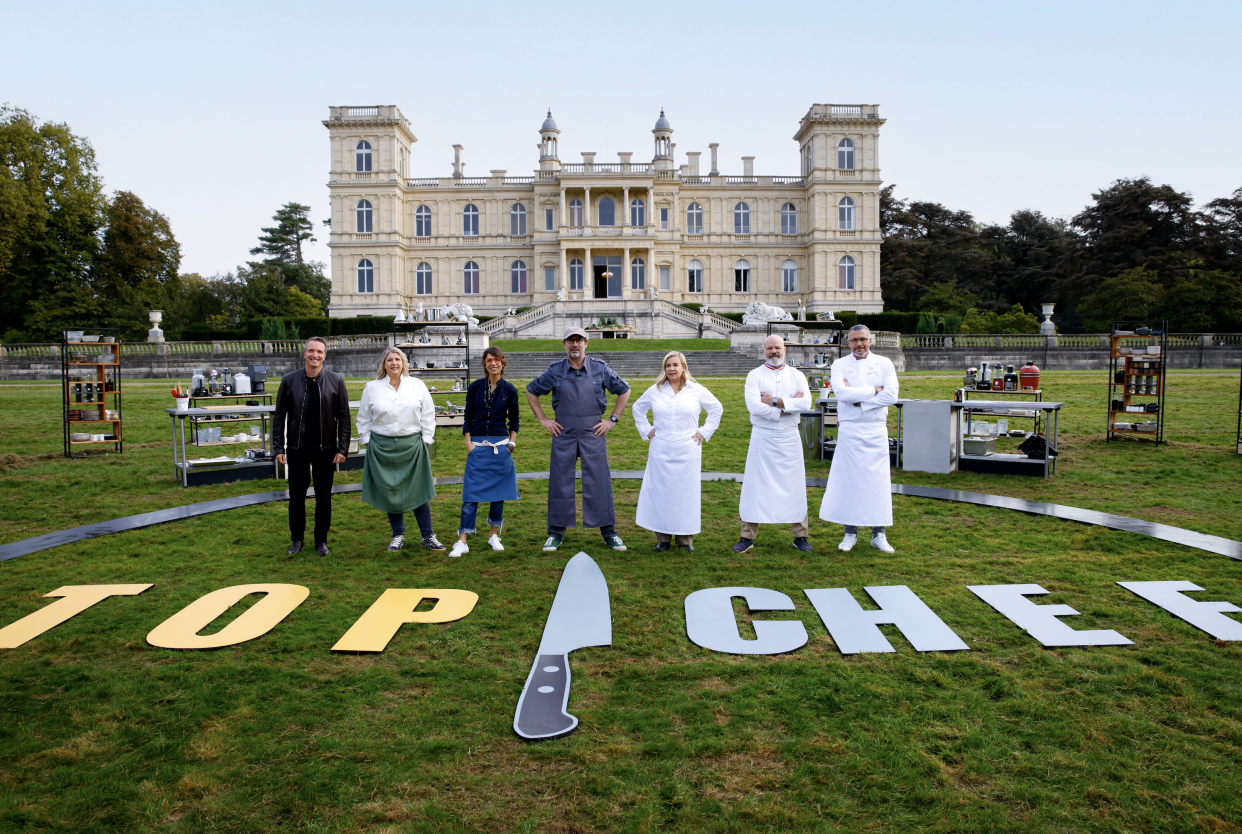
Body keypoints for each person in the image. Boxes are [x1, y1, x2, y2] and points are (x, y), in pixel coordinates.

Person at [526, 327, 631, 552]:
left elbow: (624, 390)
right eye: (571, 341)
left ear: (586, 343)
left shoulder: (599, 368)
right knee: (560, 481)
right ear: (564, 343)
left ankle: (609, 532)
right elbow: (531, 390)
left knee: (599, 480)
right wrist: (543, 419)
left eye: (579, 340)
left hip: (593, 431)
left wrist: (612, 419)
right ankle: (555, 533)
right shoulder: (554, 371)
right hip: (563, 432)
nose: (575, 345)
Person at [819, 325, 900, 553]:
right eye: (854, 340)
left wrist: (860, 401)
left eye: (863, 339)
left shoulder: (884, 363)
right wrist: (874, 390)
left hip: (875, 429)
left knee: (878, 484)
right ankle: (850, 533)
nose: (859, 344)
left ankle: (879, 534)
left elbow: (892, 395)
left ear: (871, 340)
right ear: (848, 343)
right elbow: (842, 394)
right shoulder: (840, 364)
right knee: (850, 482)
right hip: (850, 430)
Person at [355, 348, 446, 552]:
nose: (394, 363)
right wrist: (368, 441)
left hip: (412, 445)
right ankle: (398, 535)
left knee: (419, 491)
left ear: (404, 363)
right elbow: (363, 419)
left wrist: (425, 440)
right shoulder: (372, 388)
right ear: (384, 364)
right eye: (390, 360)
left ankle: (428, 536)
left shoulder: (417, 385)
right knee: (391, 492)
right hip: (382, 447)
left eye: (398, 359)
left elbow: (428, 414)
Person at [632, 351, 723, 552]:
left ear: (684, 367)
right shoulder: (656, 390)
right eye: (667, 366)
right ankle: (663, 538)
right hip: (661, 446)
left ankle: (685, 540)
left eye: (675, 365)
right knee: (661, 492)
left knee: (685, 494)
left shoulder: (696, 390)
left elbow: (716, 408)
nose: (671, 369)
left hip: (687, 447)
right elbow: (638, 408)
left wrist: (705, 431)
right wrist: (647, 430)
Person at [735, 334, 813, 553]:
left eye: (777, 347)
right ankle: (747, 536)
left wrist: (774, 401)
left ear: (784, 349)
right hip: (763, 436)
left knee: (795, 485)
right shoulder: (754, 375)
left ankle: (801, 535)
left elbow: (806, 403)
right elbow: (753, 406)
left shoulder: (797, 375)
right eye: (769, 348)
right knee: (754, 485)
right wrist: (788, 407)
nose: (773, 352)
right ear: (764, 351)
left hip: (789, 436)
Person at [273, 336, 350, 556]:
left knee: (323, 497)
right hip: (297, 448)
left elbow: (344, 418)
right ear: (304, 353)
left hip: (326, 449)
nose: (315, 355)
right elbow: (279, 417)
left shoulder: (336, 381)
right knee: (296, 495)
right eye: (311, 351)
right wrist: (278, 448)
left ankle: (321, 540)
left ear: (325, 356)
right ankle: (297, 539)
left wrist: (342, 448)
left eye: (319, 352)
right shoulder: (289, 380)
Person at [451, 346, 520, 557]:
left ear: (503, 363)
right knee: (470, 494)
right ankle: (462, 539)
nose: (493, 363)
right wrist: (468, 443)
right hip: (478, 447)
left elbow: (514, 419)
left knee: (497, 495)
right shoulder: (474, 387)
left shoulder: (510, 390)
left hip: (501, 448)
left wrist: (511, 443)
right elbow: (468, 416)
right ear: (484, 363)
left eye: (497, 360)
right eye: (490, 360)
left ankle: (493, 535)